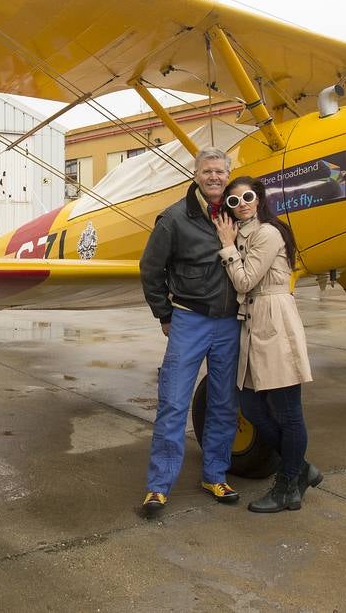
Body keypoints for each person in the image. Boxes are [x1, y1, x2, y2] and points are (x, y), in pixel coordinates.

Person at [138, 146, 242, 517]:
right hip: (189, 319)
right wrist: (164, 314)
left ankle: (215, 474)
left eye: (220, 172)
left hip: (230, 322)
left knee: (224, 403)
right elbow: (151, 269)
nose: (214, 177)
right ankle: (158, 485)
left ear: (228, 175)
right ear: (196, 174)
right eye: (207, 171)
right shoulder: (174, 218)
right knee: (173, 402)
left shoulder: (239, 212)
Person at [214, 175, 323, 514]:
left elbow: (245, 280)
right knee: (252, 406)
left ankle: (288, 484)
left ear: (258, 198)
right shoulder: (244, 232)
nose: (242, 203)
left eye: (247, 196)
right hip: (253, 322)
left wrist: (227, 245)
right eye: (233, 201)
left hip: (274, 319)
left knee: (289, 412)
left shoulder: (268, 233)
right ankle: (301, 468)